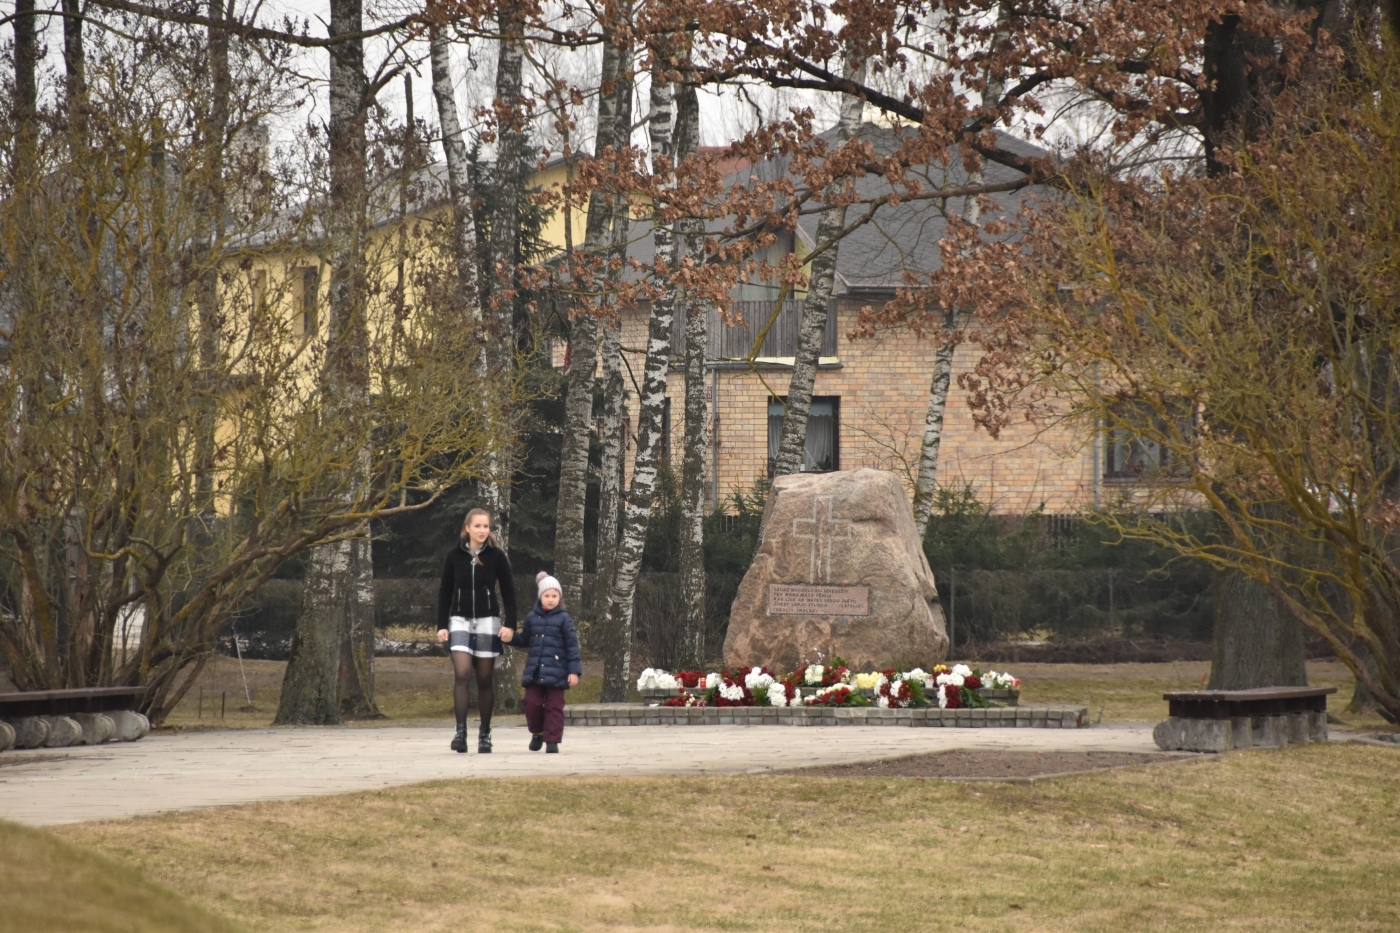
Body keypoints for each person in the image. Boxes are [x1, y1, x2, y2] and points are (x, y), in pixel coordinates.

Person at [437, 508, 517, 753]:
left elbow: (509, 592)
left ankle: (485, 734)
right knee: (462, 673)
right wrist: (441, 625)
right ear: (467, 528)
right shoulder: (454, 556)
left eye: (486, 526)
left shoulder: (497, 557)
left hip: (487, 622)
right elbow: (445, 592)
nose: (483, 530)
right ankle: (460, 733)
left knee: (484, 678)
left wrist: (511, 625)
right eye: (478, 526)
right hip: (459, 620)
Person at [501, 572, 581, 753]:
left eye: (554, 596)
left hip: (558, 672)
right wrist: (511, 638)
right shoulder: (531, 618)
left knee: (554, 707)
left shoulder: (564, 619)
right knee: (532, 703)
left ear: (559, 597)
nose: (551, 599)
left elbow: (572, 647)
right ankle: (537, 732)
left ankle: (552, 741)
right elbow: (525, 640)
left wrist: (574, 671)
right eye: (547, 596)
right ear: (540, 597)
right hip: (535, 672)